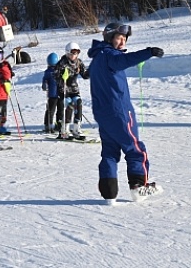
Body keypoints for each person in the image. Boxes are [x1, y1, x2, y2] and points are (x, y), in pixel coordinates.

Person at [88, 22, 165, 203]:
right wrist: (149, 52)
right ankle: (138, 187)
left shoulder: (98, 56)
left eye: (124, 39)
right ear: (109, 38)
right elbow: (124, 60)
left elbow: (89, 73)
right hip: (119, 111)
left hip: (102, 112)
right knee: (135, 149)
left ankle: (109, 194)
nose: (122, 42)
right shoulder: (110, 55)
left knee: (109, 151)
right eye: (119, 38)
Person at [54, 42, 90, 140]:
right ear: (67, 53)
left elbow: (85, 75)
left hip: (74, 89)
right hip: (64, 90)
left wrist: (92, 70)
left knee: (78, 103)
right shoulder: (62, 63)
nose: (74, 55)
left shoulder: (79, 62)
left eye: (76, 53)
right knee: (69, 105)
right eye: (72, 53)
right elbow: (55, 75)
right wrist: (62, 78)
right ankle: (64, 130)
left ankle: (76, 128)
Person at [42, 53, 62, 133]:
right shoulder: (48, 72)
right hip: (52, 94)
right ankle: (48, 125)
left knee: (60, 110)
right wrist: (44, 84)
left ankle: (59, 124)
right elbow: (44, 80)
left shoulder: (60, 70)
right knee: (51, 110)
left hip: (60, 93)